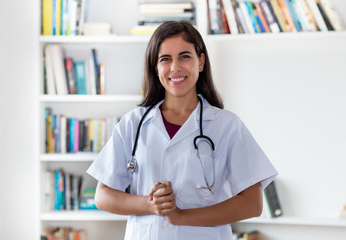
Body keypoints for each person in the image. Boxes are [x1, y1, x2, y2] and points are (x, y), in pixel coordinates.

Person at [87, 21, 277, 240]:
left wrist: (181, 216)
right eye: (165, 59)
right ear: (155, 67)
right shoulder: (134, 123)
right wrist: (150, 204)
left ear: (201, 62)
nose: (175, 68)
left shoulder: (227, 125)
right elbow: (102, 196)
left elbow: (252, 204)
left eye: (185, 56)